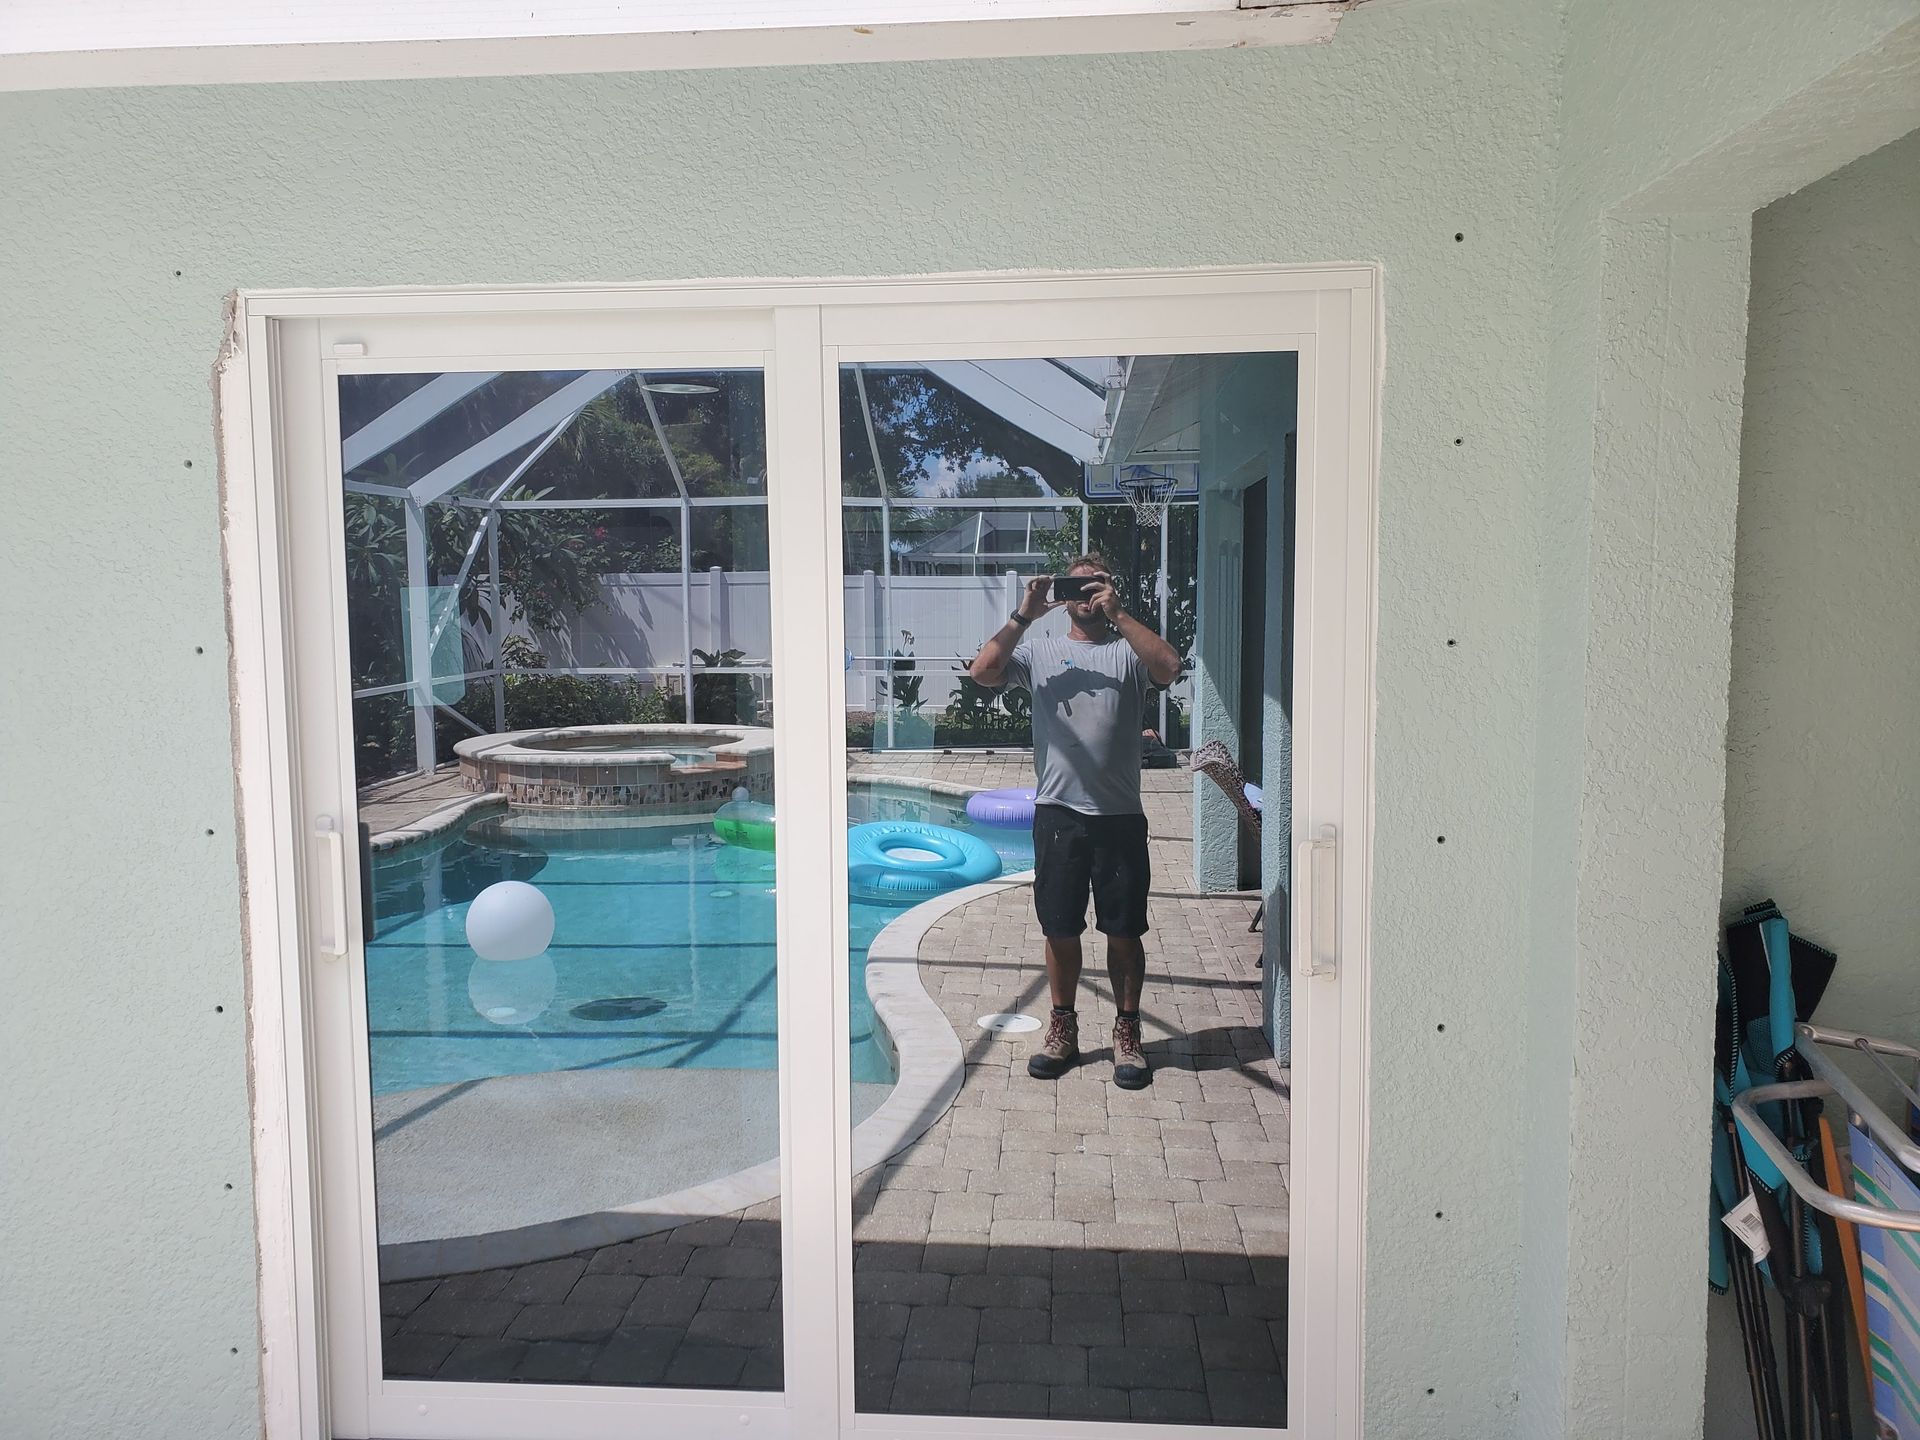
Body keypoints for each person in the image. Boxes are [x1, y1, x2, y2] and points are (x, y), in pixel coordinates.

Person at [968, 554, 1183, 1089]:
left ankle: (1127, 1032)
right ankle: (1062, 1027)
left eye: (1097, 584)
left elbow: (1169, 668)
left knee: (1124, 930)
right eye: (1077, 586)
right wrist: (1024, 614)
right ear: (1062, 595)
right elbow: (982, 672)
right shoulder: (1041, 651)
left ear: (1109, 589)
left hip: (1119, 816)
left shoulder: (1126, 652)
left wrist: (1122, 616)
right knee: (1060, 928)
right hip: (1059, 814)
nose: (1086, 595)